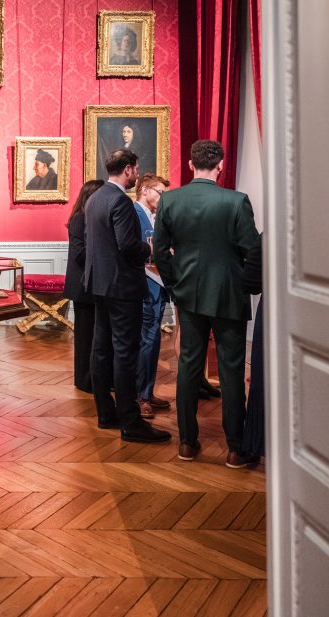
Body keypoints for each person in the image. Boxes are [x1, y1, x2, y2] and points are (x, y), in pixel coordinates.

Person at [153, 139, 261, 467]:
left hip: (188, 292)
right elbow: (252, 250)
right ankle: (235, 447)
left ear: (190, 164)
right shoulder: (236, 201)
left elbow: (160, 252)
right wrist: (248, 285)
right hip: (229, 293)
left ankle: (187, 442)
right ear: (221, 165)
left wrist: (174, 285)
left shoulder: (170, 199)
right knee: (231, 370)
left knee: (188, 366)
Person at [84, 149, 170, 444]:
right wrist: (152, 250)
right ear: (129, 169)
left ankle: (106, 413)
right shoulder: (120, 200)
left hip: (99, 284)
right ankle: (131, 422)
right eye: (136, 169)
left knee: (101, 349)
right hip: (121, 287)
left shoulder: (96, 197)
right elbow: (127, 246)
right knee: (125, 352)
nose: (136, 174)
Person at [133, 173, 172, 418]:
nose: (163, 197)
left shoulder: (155, 217)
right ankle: (141, 396)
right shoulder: (134, 213)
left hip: (158, 285)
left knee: (153, 340)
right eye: (160, 192)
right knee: (145, 341)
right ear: (145, 190)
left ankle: (147, 390)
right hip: (144, 285)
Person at [63, 180, 104, 393]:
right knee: (85, 337)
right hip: (83, 287)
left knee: (94, 336)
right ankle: (84, 380)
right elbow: (80, 253)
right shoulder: (79, 218)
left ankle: (95, 378)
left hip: (92, 285)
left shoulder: (89, 218)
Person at [241, 235, 264, 464]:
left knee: (263, 376)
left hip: (275, 311)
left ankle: (256, 443)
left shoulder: (270, 237)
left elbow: (251, 282)